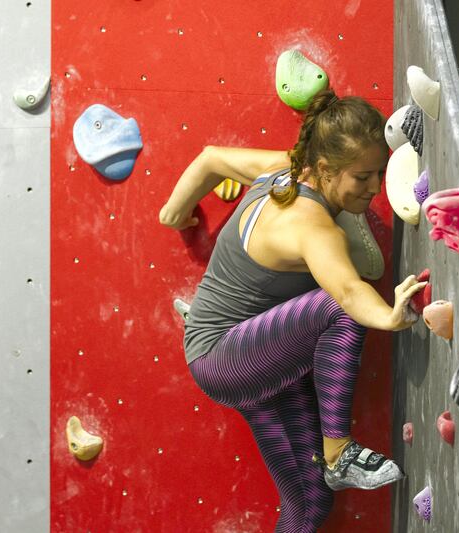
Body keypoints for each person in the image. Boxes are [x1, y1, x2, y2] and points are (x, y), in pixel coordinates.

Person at [159, 90, 427, 533]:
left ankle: (328, 472)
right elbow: (344, 291)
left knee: (309, 504)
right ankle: (339, 453)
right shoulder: (311, 225)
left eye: (379, 173)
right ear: (324, 168)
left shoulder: (281, 169)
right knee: (336, 310)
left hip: (254, 357)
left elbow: (210, 159)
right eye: (361, 177)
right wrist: (388, 316)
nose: (375, 188)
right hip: (224, 357)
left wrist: (175, 211)